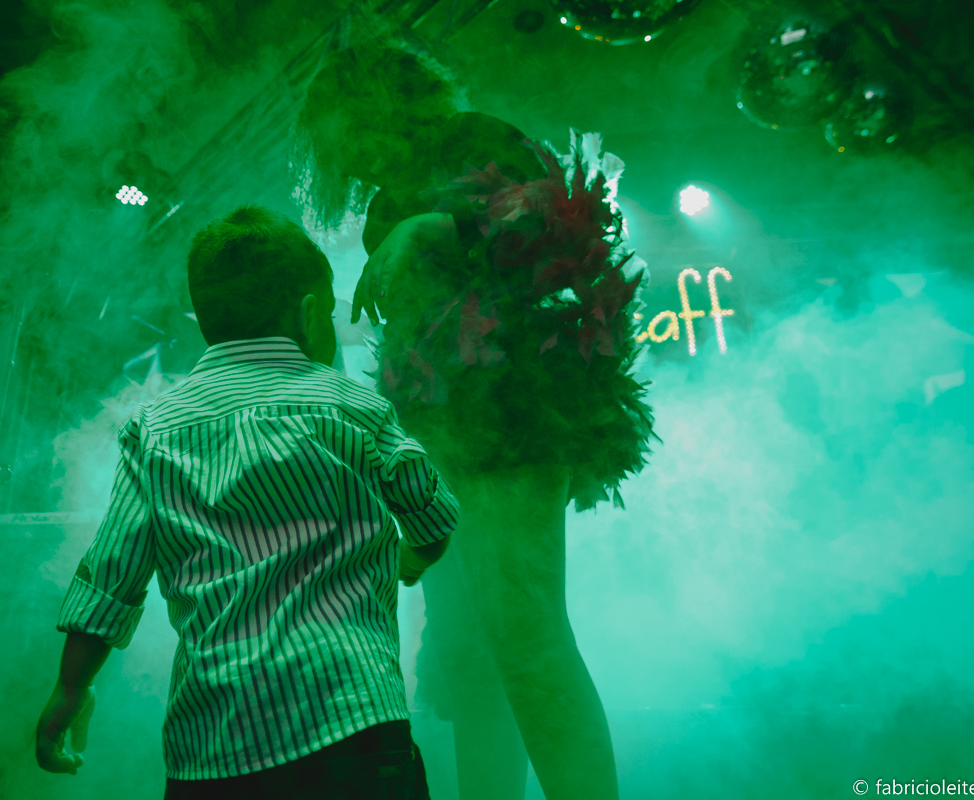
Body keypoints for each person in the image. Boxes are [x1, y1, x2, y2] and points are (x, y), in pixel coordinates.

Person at [294, 41, 656, 800]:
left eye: (345, 133)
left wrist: (434, 228)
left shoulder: (474, 137)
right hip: (447, 434)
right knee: (470, 652)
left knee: (525, 634)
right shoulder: (388, 198)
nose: (344, 157)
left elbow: (568, 232)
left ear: (376, 107)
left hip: (515, 416)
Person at [34, 205, 459, 800]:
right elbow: (432, 517)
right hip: (355, 723)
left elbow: (110, 580)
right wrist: (411, 559)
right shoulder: (354, 406)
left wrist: (70, 690)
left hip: (215, 744)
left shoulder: (155, 430)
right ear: (309, 313)